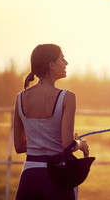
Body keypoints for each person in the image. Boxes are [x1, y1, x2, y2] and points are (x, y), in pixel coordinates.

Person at [13, 44, 89, 200]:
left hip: (29, 177)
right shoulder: (68, 97)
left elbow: (19, 147)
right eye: (62, 58)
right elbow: (67, 145)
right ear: (51, 65)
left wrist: (39, 144)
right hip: (57, 177)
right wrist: (80, 143)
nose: (66, 62)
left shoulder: (20, 97)